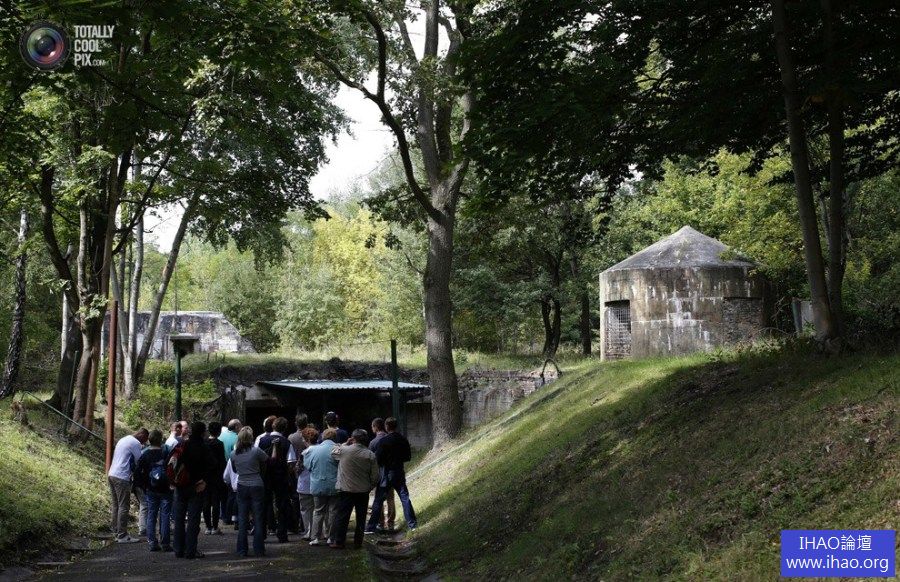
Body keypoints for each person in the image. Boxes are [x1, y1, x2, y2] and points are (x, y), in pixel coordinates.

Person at [365, 417, 417, 532]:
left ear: (387, 426)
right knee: (405, 498)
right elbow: (408, 457)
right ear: (396, 426)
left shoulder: (384, 441)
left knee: (378, 500)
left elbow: (378, 459)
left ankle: (371, 527)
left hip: (386, 473)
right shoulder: (403, 439)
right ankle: (412, 524)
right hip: (399, 471)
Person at [330, 429, 379, 549]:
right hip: (363, 490)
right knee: (361, 517)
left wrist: (345, 443)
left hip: (346, 489)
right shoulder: (370, 454)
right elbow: (375, 476)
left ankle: (339, 541)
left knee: (342, 516)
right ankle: (358, 542)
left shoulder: (344, 450)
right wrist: (370, 486)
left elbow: (333, 453)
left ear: (353, 438)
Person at [172, 421, 212, 559]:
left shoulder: (182, 445)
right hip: (196, 486)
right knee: (193, 520)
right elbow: (212, 465)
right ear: (203, 432)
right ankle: (191, 550)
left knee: (179, 519)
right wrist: (204, 480)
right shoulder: (204, 446)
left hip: (181, 486)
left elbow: (171, 462)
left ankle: (178, 549)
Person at [107, 428, 149, 543]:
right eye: (145, 439)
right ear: (141, 435)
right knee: (124, 506)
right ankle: (122, 535)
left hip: (112, 474)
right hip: (122, 477)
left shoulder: (124, 439)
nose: (144, 442)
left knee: (116, 505)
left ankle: (116, 531)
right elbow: (139, 461)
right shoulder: (135, 443)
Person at [232, 426, 268, 558]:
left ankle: (242, 549)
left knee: (242, 519)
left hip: (242, 484)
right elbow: (266, 460)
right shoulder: (256, 451)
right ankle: (259, 549)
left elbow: (234, 470)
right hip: (256, 484)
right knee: (258, 518)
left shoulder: (234, 454)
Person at [258, 417, 294, 543]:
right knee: (282, 505)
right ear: (285, 428)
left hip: (265, 476)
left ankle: (261, 533)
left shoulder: (262, 440)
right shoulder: (287, 442)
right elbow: (291, 462)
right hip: (281, 476)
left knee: (264, 504)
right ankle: (282, 534)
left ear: (273, 426)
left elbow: (258, 457)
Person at [135, 429, 173, 552]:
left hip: (151, 489)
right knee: (165, 515)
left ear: (149, 439)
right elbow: (172, 468)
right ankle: (165, 543)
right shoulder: (165, 453)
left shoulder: (145, 454)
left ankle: (152, 542)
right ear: (160, 440)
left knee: (151, 514)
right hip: (165, 489)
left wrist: (144, 486)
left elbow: (138, 472)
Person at [303, 427, 339, 546]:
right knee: (333, 511)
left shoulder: (313, 450)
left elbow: (308, 466)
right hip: (334, 485)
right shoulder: (337, 449)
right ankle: (331, 537)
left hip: (318, 484)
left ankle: (315, 538)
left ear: (323, 437)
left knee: (318, 511)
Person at [368, 417, 396, 531]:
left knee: (378, 499)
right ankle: (391, 523)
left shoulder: (373, 442)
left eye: (372, 427)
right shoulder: (390, 439)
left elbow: (370, 459)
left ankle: (380, 523)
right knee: (390, 498)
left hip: (379, 474)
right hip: (391, 472)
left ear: (375, 427)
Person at [203, 421, 227, 535]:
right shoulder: (219, 444)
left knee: (206, 502)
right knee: (216, 501)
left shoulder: (204, 443)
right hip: (216, 476)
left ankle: (208, 526)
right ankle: (215, 526)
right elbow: (222, 461)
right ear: (219, 431)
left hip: (205, 476)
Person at [288, 413, 310, 534]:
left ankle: (295, 523)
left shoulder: (291, 437)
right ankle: (305, 525)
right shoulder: (310, 435)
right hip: (308, 469)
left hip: (295, 470)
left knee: (296, 499)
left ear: (296, 423)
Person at [295, 427, 318, 540]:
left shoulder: (304, 453)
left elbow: (298, 469)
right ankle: (317, 532)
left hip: (304, 484)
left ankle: (308, 531)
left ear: (307, 439)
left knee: (305, 510)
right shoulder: (320, 451)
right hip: (317, 484)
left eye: (303, 439)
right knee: (317, 510)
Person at [219, 419, 241, 526]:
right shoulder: (237, 438)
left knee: (223, 494)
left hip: (221, 468)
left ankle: (224, 516)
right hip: (232, 468)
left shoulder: (221, 436)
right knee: (233, 494)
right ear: (236, 426)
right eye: (240, 425)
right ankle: (232, 516)